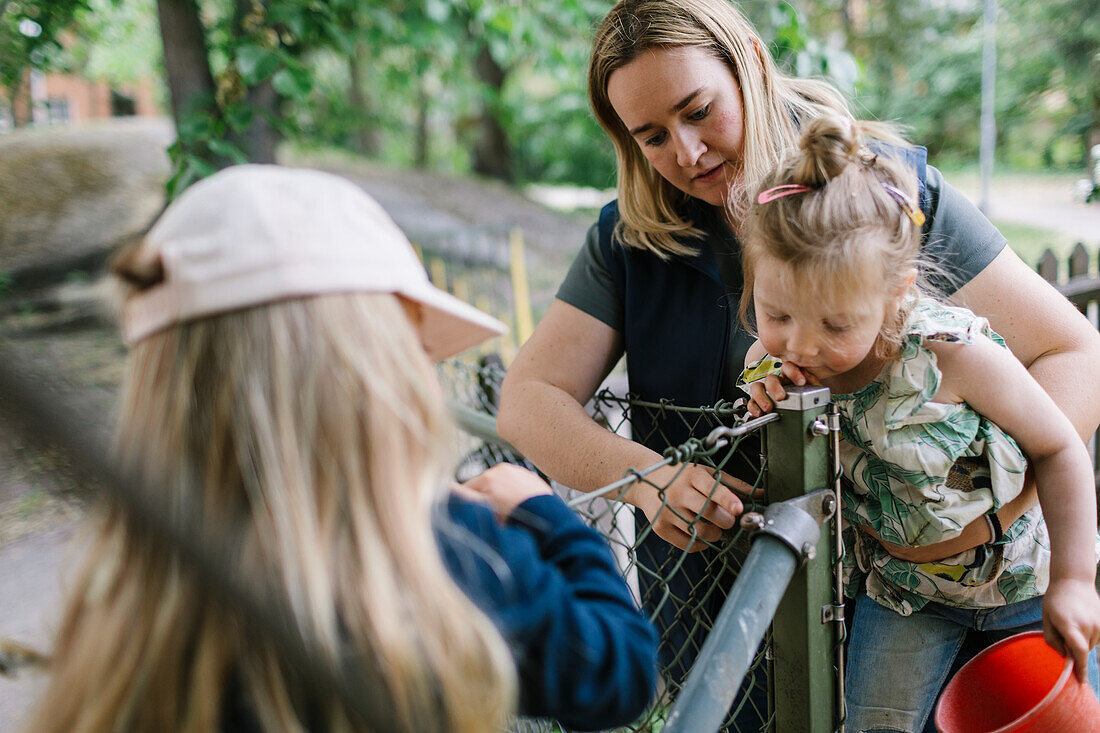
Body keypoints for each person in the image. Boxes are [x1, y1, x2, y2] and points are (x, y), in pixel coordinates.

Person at [497, 0, 1100, 716]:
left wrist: (984, 513)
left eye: (698, 110)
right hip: (723, 639)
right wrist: (646, 479)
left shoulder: (881, 200)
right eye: (652, 136)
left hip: (929, 615)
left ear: (749, 62)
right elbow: (526, 398)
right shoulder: (632, 240)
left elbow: (1073, 349)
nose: (686, 153)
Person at [25, 165, 658, 733]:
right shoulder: (446, 553)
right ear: (379, 368)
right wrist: (541, 515)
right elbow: (623, 673)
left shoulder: (132, 593)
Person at [739, 116, 1100, 732]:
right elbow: (762, 370)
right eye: (777, 314)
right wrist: (761, 392)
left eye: (834, 325)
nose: (800, 344)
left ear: (898, 293)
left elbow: (1060, 446)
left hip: (1022, 579)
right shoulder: (780, 363)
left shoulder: (949, 353)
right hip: (905, 594)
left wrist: (1074, 581)